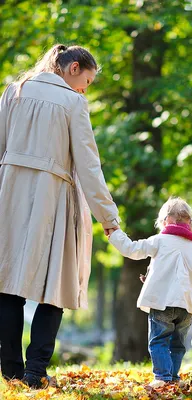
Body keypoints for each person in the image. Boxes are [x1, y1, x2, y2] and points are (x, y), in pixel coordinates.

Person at [0, 44, 120, 388]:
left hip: (8, 195)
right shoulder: (73, 102)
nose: (86, 87)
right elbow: (89, 166)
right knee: (56, 287)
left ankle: (11, 372)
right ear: (73, 68)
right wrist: (107, 216)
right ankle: (35, 372)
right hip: (52, 198)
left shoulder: (15, 90)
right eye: (88, 79)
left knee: (7, 285)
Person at [108, 197, 192, 388]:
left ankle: (163, 378)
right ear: (189, 223)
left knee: (158, 341)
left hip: (163, 303)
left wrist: (115, 234)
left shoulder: (159, 240)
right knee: (178, 344)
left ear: (166, 221)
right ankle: (172, 378)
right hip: (187, 307)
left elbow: (132, 250)